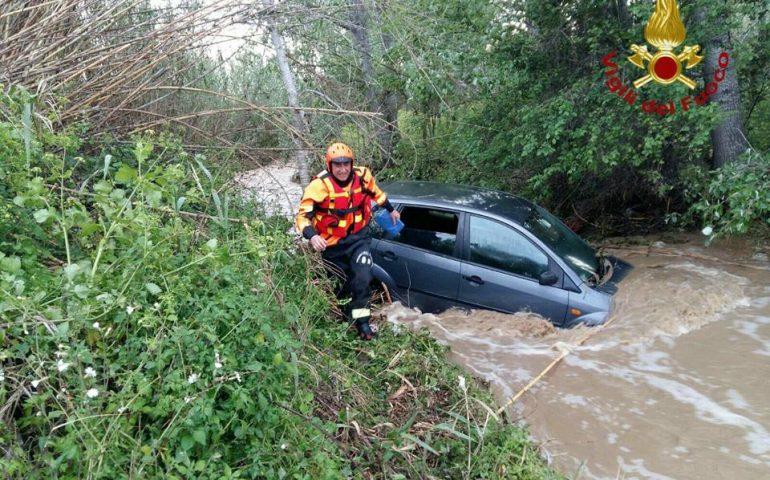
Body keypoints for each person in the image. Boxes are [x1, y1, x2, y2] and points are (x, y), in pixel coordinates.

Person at [295, 142, 400, 340]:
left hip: (358, 239)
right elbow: (302, 217)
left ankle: (362, 323)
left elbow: (377, 194)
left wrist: (391, 208)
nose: (343, 169)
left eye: (346, 164)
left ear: (352, 164)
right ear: (329, 165)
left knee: (362, 279)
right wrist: (313, 236)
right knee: (341, 286)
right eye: (337, 165)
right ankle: (346, 318)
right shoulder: (319, 187)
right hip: (332, 245)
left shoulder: (363, 177)